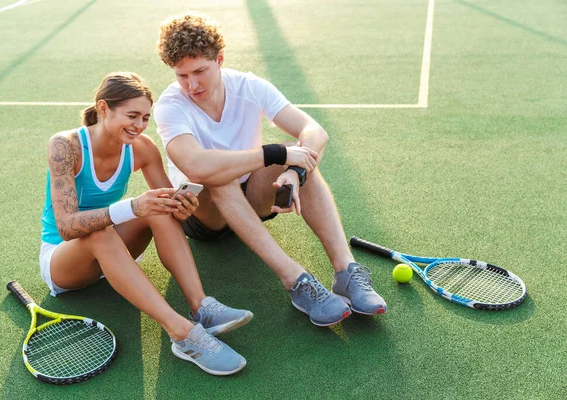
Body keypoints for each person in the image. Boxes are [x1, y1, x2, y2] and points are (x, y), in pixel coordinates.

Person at [154, 15, 387, 328]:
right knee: (217, 174)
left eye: (200, 71)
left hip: (251, 198)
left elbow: (313, 130)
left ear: (219, 60)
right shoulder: (171, 105)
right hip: (200, 213)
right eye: (182, 75)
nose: (192, 84)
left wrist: (294, 171)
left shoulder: (248, 86)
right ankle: (296, 281)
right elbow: (195, 166)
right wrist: (275, 153)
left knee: (302, 156)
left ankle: (346, 270)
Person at [39, 71, 250, 375]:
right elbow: (67, 227)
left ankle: (201, 305)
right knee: (103, 232)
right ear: (103, 109)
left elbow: (167, 209)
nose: (139, 126)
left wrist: (182, 205)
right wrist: (134, 206)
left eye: (145, 118)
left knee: (158, 208)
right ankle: (182, 333)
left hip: (115, 255)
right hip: (64, 259)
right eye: (132, 116)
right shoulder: (66, 146)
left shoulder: (142, 148)